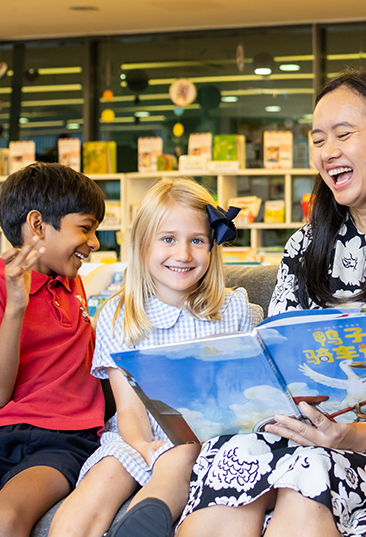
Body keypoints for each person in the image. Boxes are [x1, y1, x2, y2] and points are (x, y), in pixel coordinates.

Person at [173, 68, 366, 537]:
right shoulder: (305, 244)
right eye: (318, 139)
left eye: (344, 134)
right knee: (231, 454)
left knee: (310, 472)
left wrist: (358, 434)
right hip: (301, 432)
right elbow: (273, 355)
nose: (328, 152)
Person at [48, 178, 262, 537]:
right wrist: (144, 447)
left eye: (197, 241)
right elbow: (129, 410)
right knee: (104, 477)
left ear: (213, 246)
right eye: (168, 239)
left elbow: (241, 397)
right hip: (139, 435)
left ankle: (149, 515)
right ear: (142, 245)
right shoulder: (122, 315)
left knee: (181, 459)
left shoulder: (234, 309)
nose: (183, 254)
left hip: (209, 439)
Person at [0, 163, 105, 537]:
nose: (95, 242)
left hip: (63, 440)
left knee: (3, 521)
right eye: (85, 228)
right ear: (37, 226)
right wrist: (16, 305)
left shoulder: (74, 287)